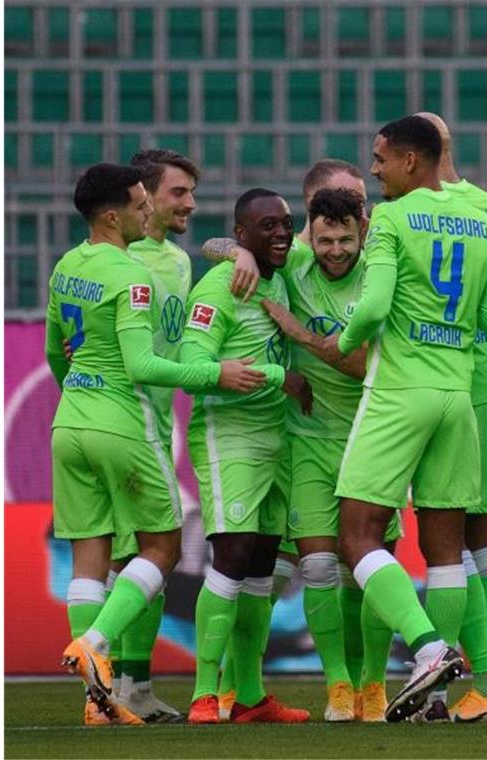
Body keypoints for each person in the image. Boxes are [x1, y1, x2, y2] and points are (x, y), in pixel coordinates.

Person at [49, 163, 268, 724]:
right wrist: (215, 373)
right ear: (117, 211)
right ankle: (97, 647)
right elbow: (141, 363)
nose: (161, 209)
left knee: (91, 556)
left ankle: (108, 699)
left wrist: (236, 251)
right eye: (155, 199)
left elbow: (57, 353)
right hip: (128, 423)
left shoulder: (70, 266)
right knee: (161, 548)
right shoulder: (131, 272)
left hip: (73, 418)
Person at [317, 115, 487, 722]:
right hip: (457, 393)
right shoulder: (483, 221)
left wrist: (345, 341)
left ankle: (428, 648)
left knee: (356, 535)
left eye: (380, 158)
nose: (372, 169)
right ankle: (439, 698)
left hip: (400, 389)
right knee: (446, 549)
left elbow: (371, 308)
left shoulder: (393, 219)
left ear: (410, 161)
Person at [204, 160, 401, 723]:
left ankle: (373, 684)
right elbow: (221, 241)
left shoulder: (381, 275)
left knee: (368, 570)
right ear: (308, 238)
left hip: (375, 433)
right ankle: (338, 684)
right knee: (317, 568)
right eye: (324, 240)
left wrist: (301, 334)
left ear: (362, 231)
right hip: (309, 437)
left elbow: (367, 364)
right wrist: (237, 252)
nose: (334, 250)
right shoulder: (294, 263)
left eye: (344, 239)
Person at [182, 189, 313, 724]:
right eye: (267, 226)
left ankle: (251, 698)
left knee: (263, 564)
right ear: (243, 234)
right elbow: (192, 365)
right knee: (232, 556)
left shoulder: (282, 271)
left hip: (276, 437)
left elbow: (332, 241)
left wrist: (233, 248)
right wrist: (284, 377)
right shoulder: (219, 285)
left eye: (286, 223)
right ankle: (202, 693)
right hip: (229, 436)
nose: (281, 233)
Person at [409, 112, 487, 723]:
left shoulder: (404, 210)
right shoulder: (485, 206)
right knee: (483, 534)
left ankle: (475, 685)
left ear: (415, 156)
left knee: (446, 538)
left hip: (447, 381)